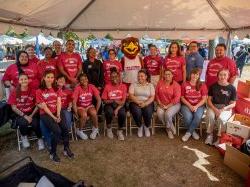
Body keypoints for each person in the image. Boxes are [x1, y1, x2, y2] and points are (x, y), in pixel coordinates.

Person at [36, 70, 74, 162]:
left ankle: (66, 148)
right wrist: (54, 117)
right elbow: (44, 107)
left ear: (54, 79)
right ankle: (53, 153)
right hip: (46, 114)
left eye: (52, 77)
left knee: (65, 128)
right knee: (57, 131)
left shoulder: (57, 89)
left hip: (57, 111)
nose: (50, 79)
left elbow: (58, 101)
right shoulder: (39, 90)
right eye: (48, 77)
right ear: (44, 78)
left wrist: (58, 114)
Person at [8, 73, 44, 149]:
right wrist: (25, 116)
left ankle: (40, 139)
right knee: (23, 122)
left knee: (35, 123)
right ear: (18, 81)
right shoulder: (14, 92)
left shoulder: (34, 91)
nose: (24, 81)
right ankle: (24, 136)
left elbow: (38, 104)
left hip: (32, 112)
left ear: (28, 80)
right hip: (20, 113)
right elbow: (13, 108)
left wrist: (31, 115)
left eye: (25, 79)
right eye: (21, 79)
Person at [205, 69, 236, 145]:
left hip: (225, 108)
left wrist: (223, 109)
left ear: (228, 76)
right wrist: (215, 109)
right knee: (210, 116)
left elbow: (233, 104)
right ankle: (210, 135)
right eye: (220, 75)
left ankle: (219, 137)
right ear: (218, 76)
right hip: (213, 106)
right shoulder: (213, 86)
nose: (222, 77)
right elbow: (209, 100)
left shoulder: (232, 88)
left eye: (225, 75)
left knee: (222, 119)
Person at [181, 68, 208, 142]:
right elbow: (182, 97)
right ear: (190, 74)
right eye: (193, 74)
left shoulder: (202, 85)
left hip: (199, 105)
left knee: (198, 116)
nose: (194, 76)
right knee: (188, 117)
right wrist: (190, 106)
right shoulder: (184, 84)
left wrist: (196, 106)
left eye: (197, 74)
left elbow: (204, 99)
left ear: (199, 76)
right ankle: (193, 132)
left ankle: (188, 133)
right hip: (186, 105)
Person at [72, 73, 101, 140]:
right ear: (79, 81)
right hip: (80, 107)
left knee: (93, 113)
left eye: (85, 79)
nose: (84, 80)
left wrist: (96, 111)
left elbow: (99, 100)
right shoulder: (77, 88)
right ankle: (79, 130)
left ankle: (95, 128)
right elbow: (74, 102)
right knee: (84, 115)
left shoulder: (91, 86)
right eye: (82, 80)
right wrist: (76, 114)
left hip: (89, 106)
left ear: (87, 79)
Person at [102, 68, 127, 140]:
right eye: (112, 77)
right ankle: (109, 128)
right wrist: (114, 100)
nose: (114, 78)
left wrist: (116, 109)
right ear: (110, 78)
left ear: (119, 77)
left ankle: (119, 131)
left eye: (115, 76)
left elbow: (123, 102)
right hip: (109, 104)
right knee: (109, 112)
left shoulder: (123, 86)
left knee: (122, 113)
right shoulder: (107, 86)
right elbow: (104, 101)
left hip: (120, 105)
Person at [155, 69, 181, 139]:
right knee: (159, 113)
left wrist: (168, 106)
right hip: (162, 104)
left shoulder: (176, 85)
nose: (167, 76)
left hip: (174, 104)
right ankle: (169, 125)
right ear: (163, 75)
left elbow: (177, 98)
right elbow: (156, 94)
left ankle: (168, 130)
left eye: (169, 74)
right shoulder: (160, 83)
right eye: (166, 74)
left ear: (172, 75)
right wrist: (159, 103)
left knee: (168, 114)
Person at [129, 69, 155, 138]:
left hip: (147, 102)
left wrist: (145, 104)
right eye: (138, 76)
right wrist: (138, 102)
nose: (139, 77)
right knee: (137, 111)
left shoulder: (150, 85)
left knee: (148, 111)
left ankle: (146, 126)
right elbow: (131, 95)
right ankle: (139, 126)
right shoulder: (133, 84)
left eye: (141, 76)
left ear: (146, 76)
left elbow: (152, 97)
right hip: (135, 102)